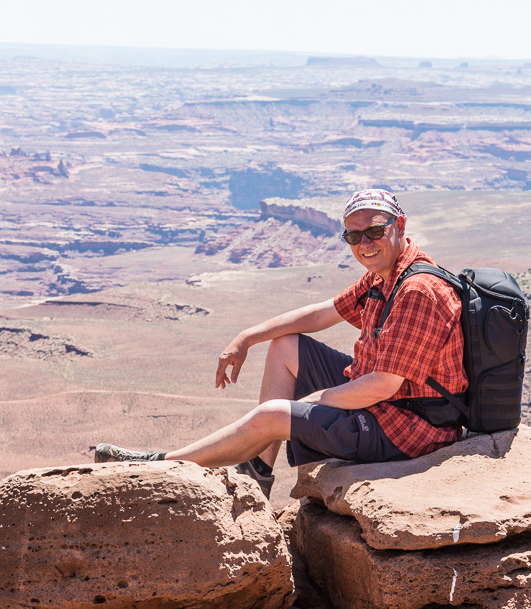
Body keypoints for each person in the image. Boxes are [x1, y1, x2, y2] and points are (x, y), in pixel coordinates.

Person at [94, 189, 466, 498]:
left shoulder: (417, 289)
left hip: (408, 427)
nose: (364, 244)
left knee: (273, 415)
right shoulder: (384, 276)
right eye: (353, 236)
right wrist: (247, 338)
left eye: (374, 231)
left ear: (399, 226)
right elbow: (321, 314)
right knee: (285, 345)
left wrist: (306, 405)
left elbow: (384, 385)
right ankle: (257, 471)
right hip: (385, 402)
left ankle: (163, 463)